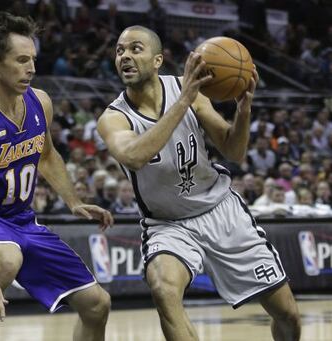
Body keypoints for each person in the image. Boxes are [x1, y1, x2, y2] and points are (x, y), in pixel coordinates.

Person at [97, 25, 301, 341]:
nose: (125, 55)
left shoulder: (186, 89)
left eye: (135, 48)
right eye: (120, 50)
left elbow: (234, 150)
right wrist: (184, 101)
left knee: (287, 315)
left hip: (220, 210)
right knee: (164, 290)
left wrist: (243, 110)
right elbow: (134, 156)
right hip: (168, 224)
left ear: (157, 61)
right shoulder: (114, 117)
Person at [0, 12, 113, 341]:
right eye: (20, 60)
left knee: (97, 304)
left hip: (22, 221)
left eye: (32, 58)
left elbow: (46, 155)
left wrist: (73, 201)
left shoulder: (40, 102)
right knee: (5, 259)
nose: (31, 68)